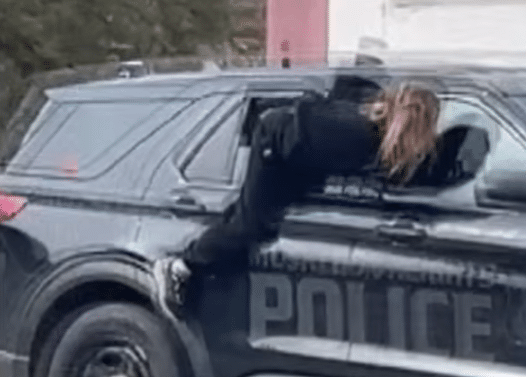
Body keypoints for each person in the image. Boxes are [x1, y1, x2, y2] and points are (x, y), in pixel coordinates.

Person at [154, 80, 441, 317]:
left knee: (249, 210)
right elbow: (308, 114)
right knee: (254, 225)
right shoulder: (356, 133)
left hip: (295, 150)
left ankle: (207, 267)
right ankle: (182, 265)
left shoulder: (369, 127)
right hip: (275, 143)